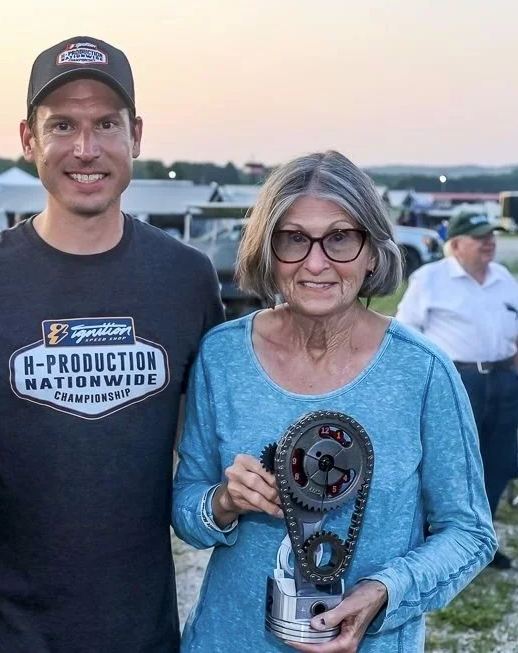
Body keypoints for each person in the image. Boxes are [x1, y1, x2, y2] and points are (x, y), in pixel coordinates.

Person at [0, 36, 224, 653]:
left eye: (106, 124)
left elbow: (208, 447)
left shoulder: (185, 278)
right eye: (62, 125)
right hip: (2, 632)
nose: (86, 149)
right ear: (27, 139)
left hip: (140, 629)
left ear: (137, 136)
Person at [172, 151, 496, 653]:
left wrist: (385, 592)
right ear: (267, 249)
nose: (316, 262)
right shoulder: (223, 355)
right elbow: (186, 509)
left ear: (372, 252)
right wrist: (223, 501)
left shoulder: (422, 371)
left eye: (340, 237)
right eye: (294, 239)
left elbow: (470, 532)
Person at [395, 208, 518, 570]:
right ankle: (436, 542)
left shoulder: (503, 278)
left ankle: (483, 539)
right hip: (456, 381)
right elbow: (407, 336)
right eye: (479, 236)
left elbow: (517, 333)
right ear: (454, 244)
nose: (489, 242)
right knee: (449, 464)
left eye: (491, 236)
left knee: (497, 461)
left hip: (502, 379)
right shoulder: (430, 279)